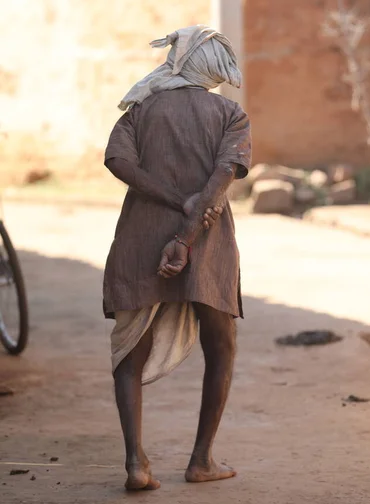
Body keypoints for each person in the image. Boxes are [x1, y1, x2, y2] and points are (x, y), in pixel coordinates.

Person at [103, 25, 252, 491]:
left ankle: (136, 463)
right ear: (211, 69)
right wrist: (188, 231)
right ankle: (201, 459)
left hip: (140, 238)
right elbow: (220, 180)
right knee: (221, 344)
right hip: (208, 246)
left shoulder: (141, 109)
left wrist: (170, 202)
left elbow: (118, 162)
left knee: (130, 349)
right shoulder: (231, 114)